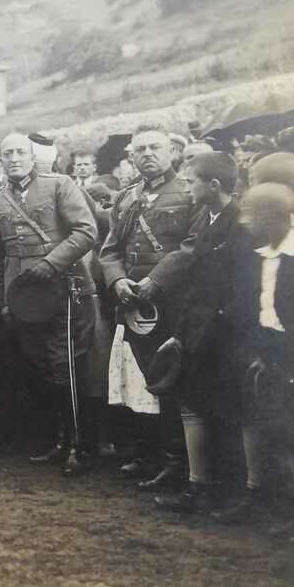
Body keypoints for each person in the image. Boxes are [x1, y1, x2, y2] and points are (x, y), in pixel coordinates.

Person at [219, 182, 294, 545]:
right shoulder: (259, 257)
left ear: (275, 217)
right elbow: (257, 309)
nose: (246, 223)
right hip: (270, 350)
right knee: (284, 432)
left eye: (252, 216)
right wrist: (258, 351)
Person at [0, 132, 98, 475]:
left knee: (66, 366)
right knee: (42, 368)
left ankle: (81, 445)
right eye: (8, 154)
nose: (14, 158)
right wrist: (2, 301)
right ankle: (59, 441)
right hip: (23, 298)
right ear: (1, 161)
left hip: (62, 288)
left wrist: (51, 263)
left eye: (20, 152)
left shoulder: (59, 184)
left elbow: (85, 231)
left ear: (33, 157)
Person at [99, 123, 204, 491]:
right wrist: (117, 280)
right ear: (131, 157)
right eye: (139, 149)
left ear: (172, 152)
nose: (147, 155)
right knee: (142, 380)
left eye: (155, 147)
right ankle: (152, 455)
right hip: (133, 305)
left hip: (173, 303)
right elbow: (109, 249)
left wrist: (155, 281)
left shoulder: (190, 193)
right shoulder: (126, 197)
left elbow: (191, 247)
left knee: (172, 380)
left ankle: (178, 462)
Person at [152, 152, 253, 515]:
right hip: (197, 334)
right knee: (194, 407)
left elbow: (241, 292)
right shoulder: (207, 220)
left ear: (213, 185)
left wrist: (208, 335)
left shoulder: (239, 224)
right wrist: (180, 334)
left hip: (224, 337)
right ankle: (200, 488)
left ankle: (232, 494)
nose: (188, 187)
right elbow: (195, 287)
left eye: (193, 181)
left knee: (226, 413)